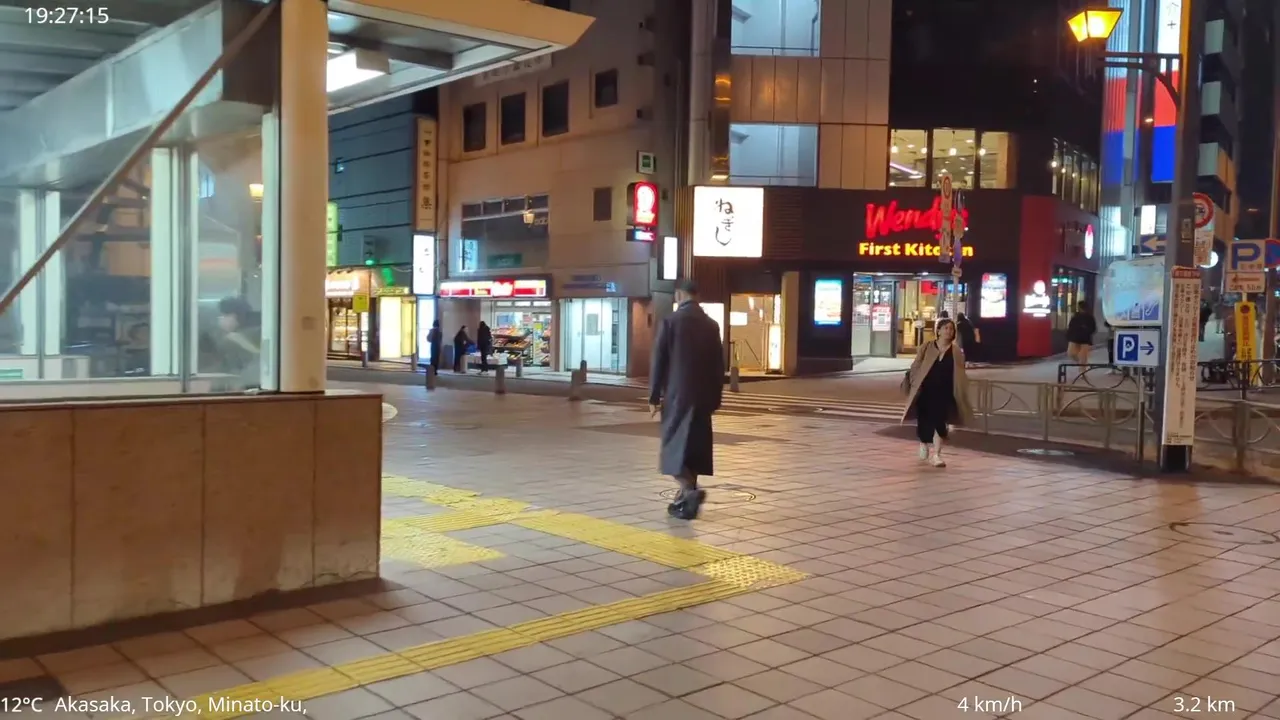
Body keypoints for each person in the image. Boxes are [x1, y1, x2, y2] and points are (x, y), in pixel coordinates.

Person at [649, 279, 724, 520]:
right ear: (697, 295)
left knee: (672, 449)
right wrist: (716, 398)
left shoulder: (671, 322)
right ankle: (684, 502)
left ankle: (690, 491)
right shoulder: (712, 325)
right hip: (703, 398)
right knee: (693, 448)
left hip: (677, 397)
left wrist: (653, 396)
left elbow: (659, 361)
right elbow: (718, 366)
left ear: (679, 295)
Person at [900, 318, 973, 468]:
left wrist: (961, 391)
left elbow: (960, 373)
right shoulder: (927, 346)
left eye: (951, 329)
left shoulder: (956, 351)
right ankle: (923, 443)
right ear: (938, 331)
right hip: (925, 390)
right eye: (945, 328)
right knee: (924, 420)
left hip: (945, 392)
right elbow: (916, 366)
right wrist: (915, 382)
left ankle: (937, 455)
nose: (948, 331)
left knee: (940, 422)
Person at [216, 296, 260, 390]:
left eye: (224, 315)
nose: (220, 319)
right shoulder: (253, 334)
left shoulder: (232, 340)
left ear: (236, 316)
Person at [1066, 301, 1097, 365]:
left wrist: (1086, 330)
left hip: (1084, 340)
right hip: (1075, 338)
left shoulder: (1089, 317)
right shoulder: (1076, 316)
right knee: (1071, 353)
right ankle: (1080, 362)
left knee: (1082, 357)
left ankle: (1082, 367)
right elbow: (1071, 327)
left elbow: (1093, 328)